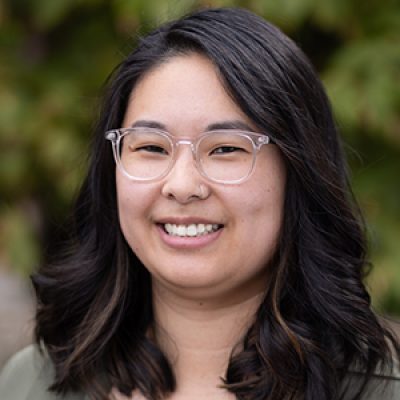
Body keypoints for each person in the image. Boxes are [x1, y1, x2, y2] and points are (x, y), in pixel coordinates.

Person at [0, 7, 399, 400]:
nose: (182, 185)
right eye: (152, 147)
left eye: (226, 148)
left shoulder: (377, 391)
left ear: (299, 172)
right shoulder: (32, 383)